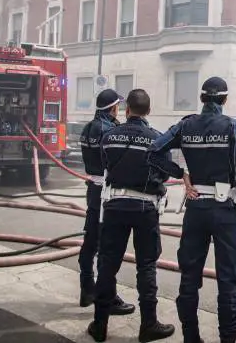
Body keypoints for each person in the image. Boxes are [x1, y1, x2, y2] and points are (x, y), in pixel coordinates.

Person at [147, 76, 236, 343]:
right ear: (224, 100)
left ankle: (191, 337)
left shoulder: (185, 126)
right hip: (224, 210)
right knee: (228, 278)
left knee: (189, 276)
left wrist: (181, 174)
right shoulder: (232, 127)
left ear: (201, 99)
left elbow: (153, 151)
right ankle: (227, 338)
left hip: (195, 208)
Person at [87, 88, 183, 342]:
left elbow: (104, 162)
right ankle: (148, 325)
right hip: (145, 208)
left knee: (108, 264)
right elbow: (163, 172)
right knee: (146, 265)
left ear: (127, 109)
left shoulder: (109, 136)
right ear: (148, 111)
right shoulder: (156, 139)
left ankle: (99, 325)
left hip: (114, 206)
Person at [77, 88, 134, 316]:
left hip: (93, 188)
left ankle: (86, 288)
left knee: (90, 240)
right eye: (117, 105)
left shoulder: (88, 128)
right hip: (107, 191)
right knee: (107, 247)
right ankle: (107, 297)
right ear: (113, 107)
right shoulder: (110, 131)